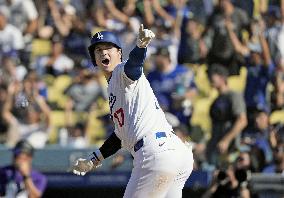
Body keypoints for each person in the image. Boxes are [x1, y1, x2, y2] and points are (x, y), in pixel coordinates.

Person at [72, 24, 194, 198]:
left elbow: (134, 66)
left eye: (108, 48)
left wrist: (141, 47)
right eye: (98, 50)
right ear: (94, 58)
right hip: (175, 153)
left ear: (119, 53)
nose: (103, 53)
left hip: (156, 152)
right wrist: (94, 159)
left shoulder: (121, 72)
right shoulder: (114, 88)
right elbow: (120, 136)